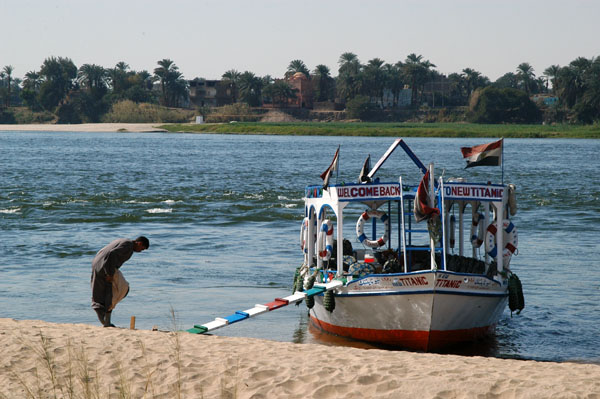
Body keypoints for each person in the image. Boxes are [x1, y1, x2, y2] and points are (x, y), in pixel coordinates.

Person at [91, 236, 149, 327]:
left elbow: (104, 251)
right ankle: (106, 320)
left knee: (104, 290)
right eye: (142, 249)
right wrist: (109, 273)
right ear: (139, 243)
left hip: (98, 264)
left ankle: (105, 319)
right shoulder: (128, 246)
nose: (140, 251)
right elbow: (112, 254)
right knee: (122, 289)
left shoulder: (124, 241)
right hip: (105, 267)